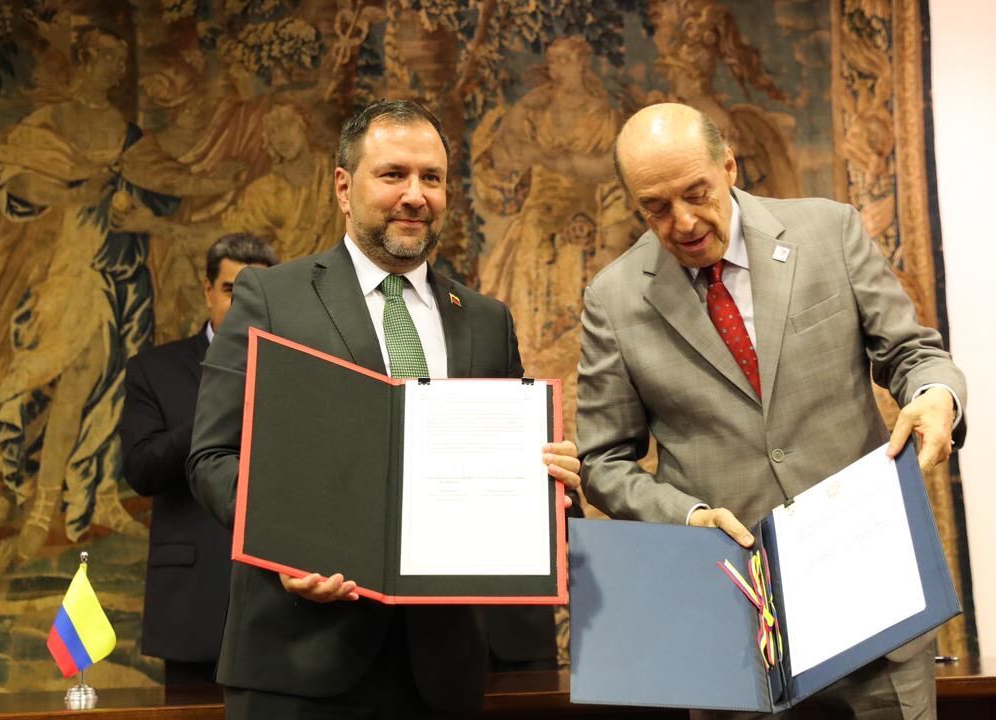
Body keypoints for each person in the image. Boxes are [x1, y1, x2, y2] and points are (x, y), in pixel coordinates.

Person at [187, 100, 582, 719]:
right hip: (297, 664)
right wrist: (280, 542)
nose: (415, 195)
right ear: (344, 187)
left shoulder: (484, 320)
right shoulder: (274, 297)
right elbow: (213, 455)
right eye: (393, 174)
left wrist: (548, 483)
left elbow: (510, 474)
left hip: (441, 673)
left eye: (431, 178)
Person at [576, 103, 966, 719]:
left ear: (728, 165)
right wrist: (687, 515)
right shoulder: (614, 299)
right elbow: (603, 462)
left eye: (696, 192)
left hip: (875, 601)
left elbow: (914, 353)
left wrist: (933, 396)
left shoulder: (829, 232)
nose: (681, 222)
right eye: (656, 206)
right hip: (736, 627)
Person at [119, 234, 277, 685]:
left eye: (255, 293)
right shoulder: (153, 370)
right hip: (193, 607)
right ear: (208, 290)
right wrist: (220, 410)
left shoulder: (299, 368)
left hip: (283, 607)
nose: (242, 304)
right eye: (231, 290)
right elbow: (142, 470)